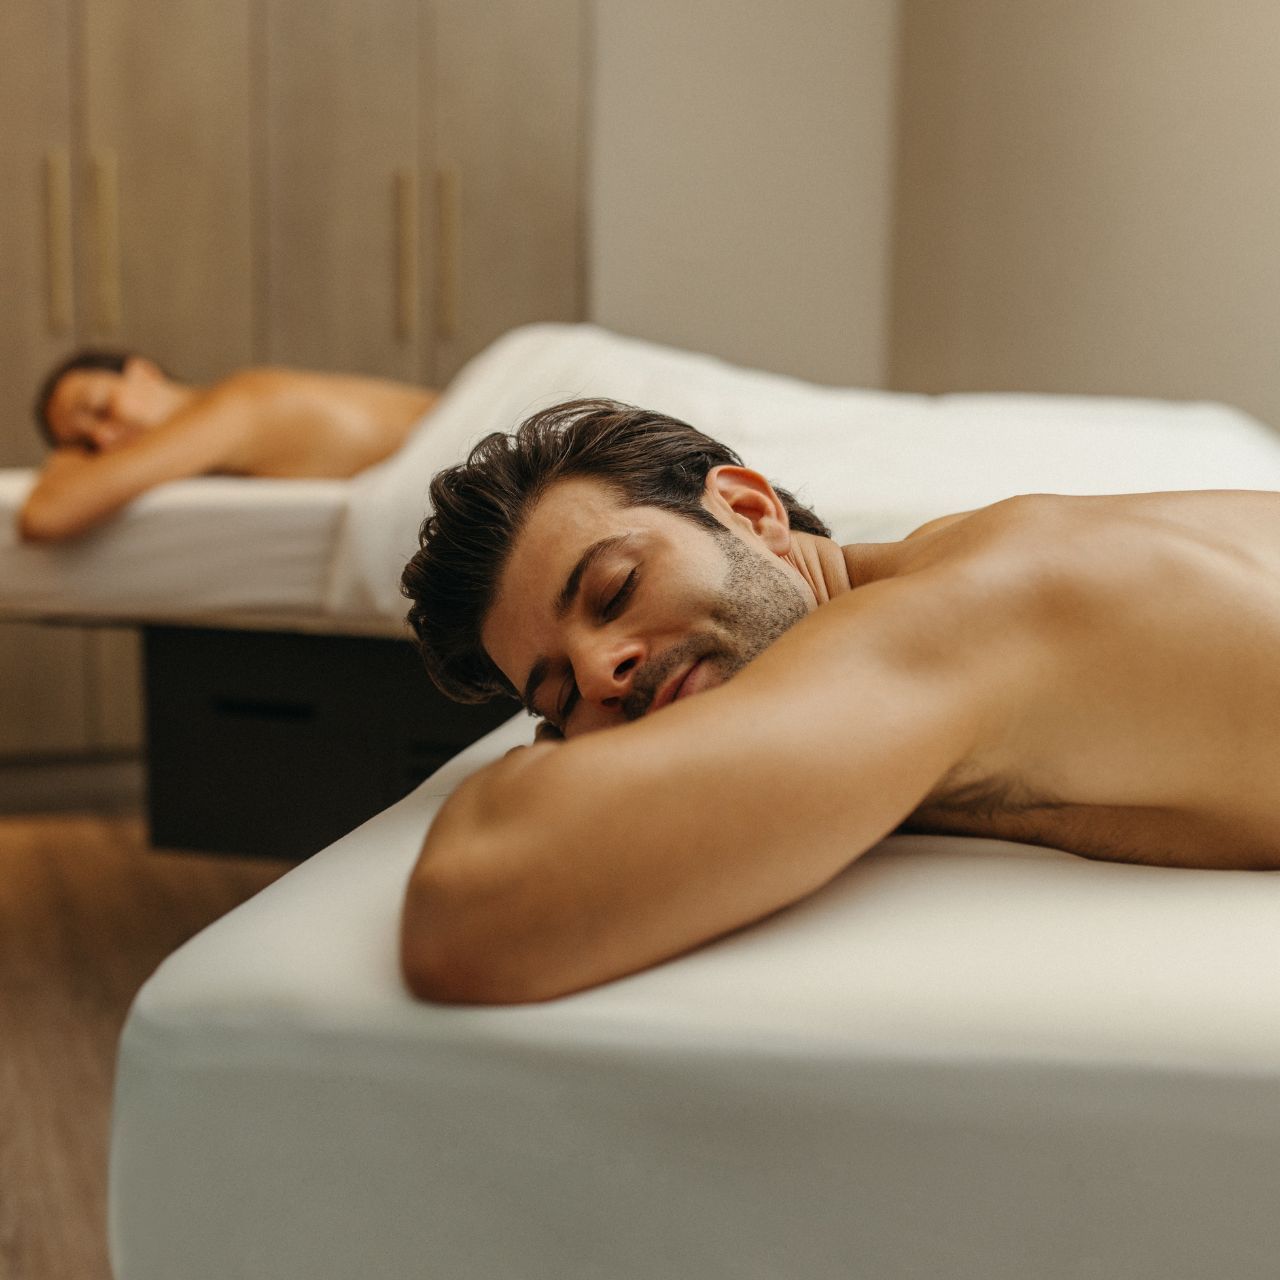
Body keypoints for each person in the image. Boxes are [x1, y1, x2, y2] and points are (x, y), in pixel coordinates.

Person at [397, 398, 1280, 1006]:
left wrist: (551, 758)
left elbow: (471, 915)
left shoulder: (953, 619)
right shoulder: (958, 568)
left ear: (749, 510)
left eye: (617, 589)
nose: (601, 673)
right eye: (557, 697)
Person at [19, 349, 440, 541]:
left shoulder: (233, 407)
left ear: (143, 372)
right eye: (87, 446)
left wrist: (68, 458)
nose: (106, 439)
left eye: (99, 408)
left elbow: (46, 514)